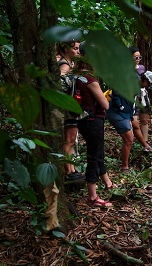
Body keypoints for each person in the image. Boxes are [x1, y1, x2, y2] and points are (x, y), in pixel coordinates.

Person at [73, 45, 115, 207]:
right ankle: (92, 196)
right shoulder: (90, 79)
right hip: (93, 119)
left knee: (97, 152)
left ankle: (105, 183)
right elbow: (105, 104)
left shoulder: (76, 76)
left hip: (81, 119)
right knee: (94, 155)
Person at [57, 40, 83, 183]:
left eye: (78, 49)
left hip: (70, 107)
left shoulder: (69, 64)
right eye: (75, 48)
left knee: (71, 140)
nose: (78, 51)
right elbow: (60, 82)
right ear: (66, 49)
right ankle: (68, 171)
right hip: (67, 107)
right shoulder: (65, 65)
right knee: (69, 140)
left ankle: (72, 170)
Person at [130, 46, 152, 151]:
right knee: (133, 120)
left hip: (143, 96)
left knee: (144, 120)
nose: (138, 60)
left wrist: (151, 88)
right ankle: (130, 141)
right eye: (136, 57)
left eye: (139, 57)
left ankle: (146, 143)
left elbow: (146, 81)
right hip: (132, 97)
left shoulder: (142, 68)